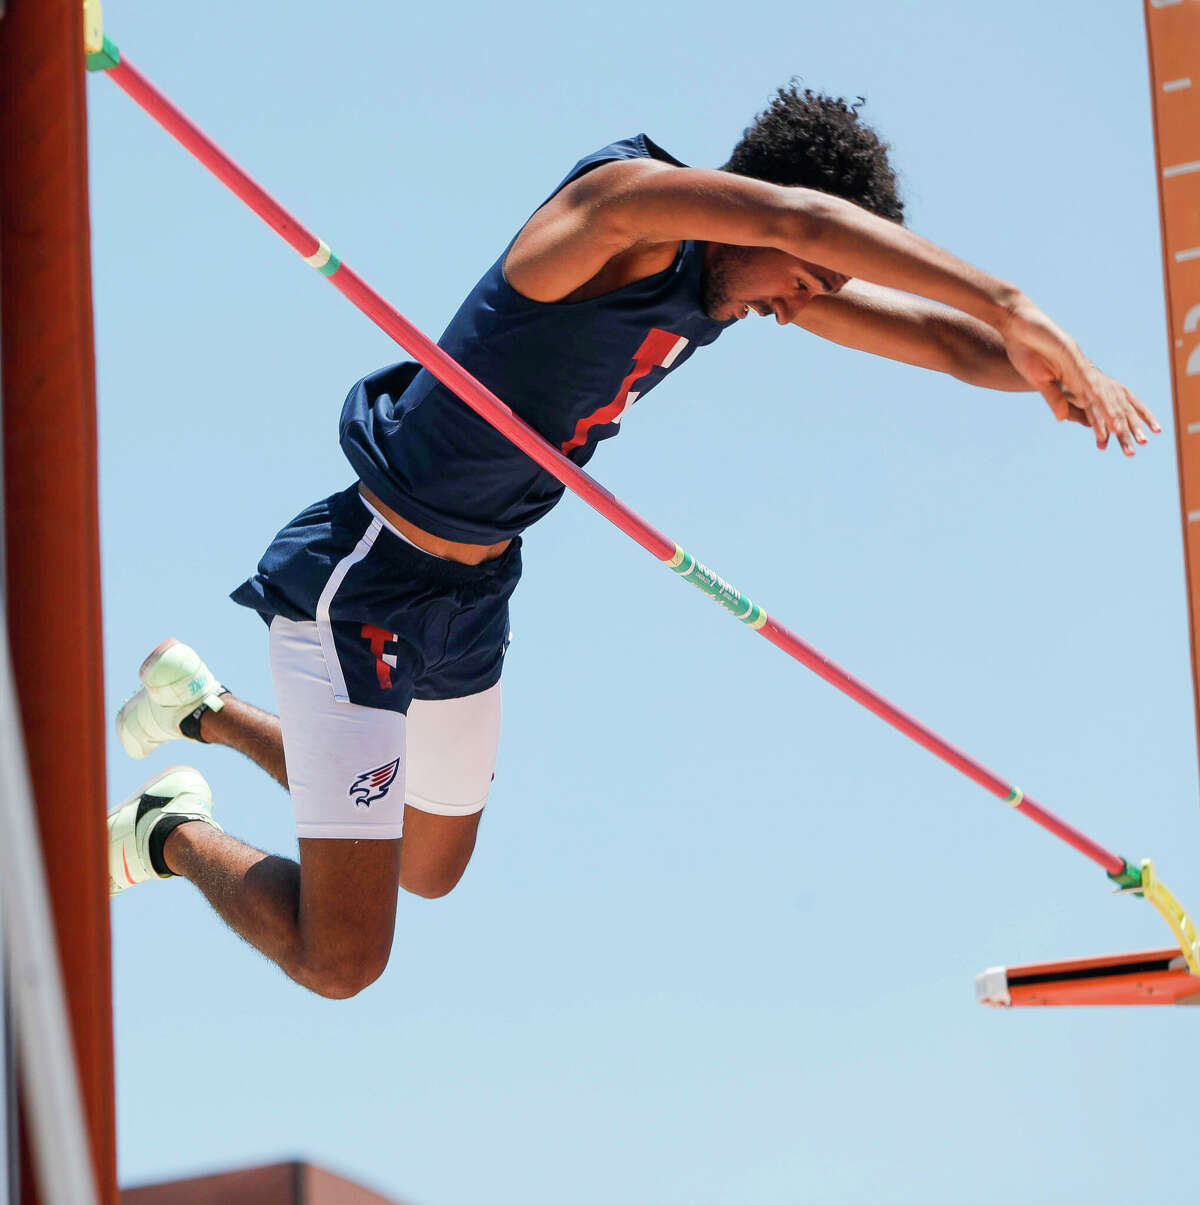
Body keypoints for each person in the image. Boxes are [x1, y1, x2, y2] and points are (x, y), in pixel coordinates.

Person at [105, 86, 1158, 998]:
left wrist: (1056, 375)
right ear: (764, 209)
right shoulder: (621, 210)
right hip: (367, 585)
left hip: (474, 597)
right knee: (345, 958)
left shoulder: (728, 288)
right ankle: (167, 830)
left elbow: (937, 339)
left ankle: (205, 711)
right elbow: (802, 220)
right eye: (809, 276)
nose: (799, 304)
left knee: (427, 863)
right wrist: (1016, 302)